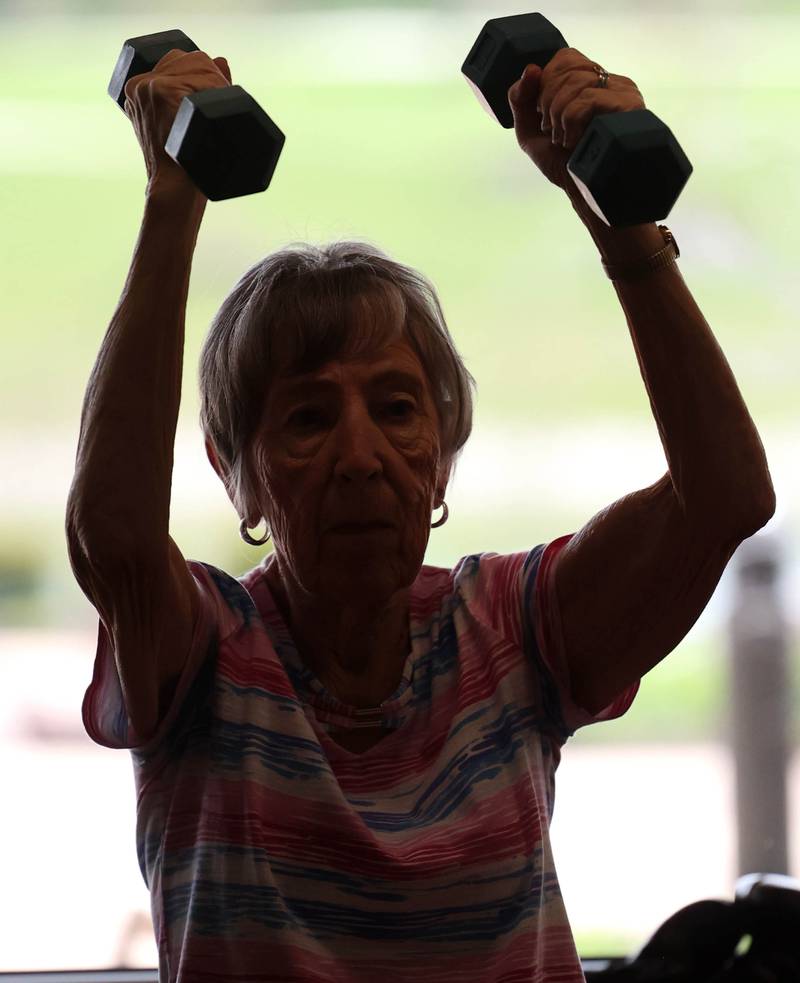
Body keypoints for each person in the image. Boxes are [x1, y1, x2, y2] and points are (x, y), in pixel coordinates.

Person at [66, 46, 774, 983]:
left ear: (442, 460)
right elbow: (112, 538)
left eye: (398, 410)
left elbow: (725, 496)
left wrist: (625, 231)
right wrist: (171, 207)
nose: (361, 457)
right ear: (235, 476)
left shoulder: (512, 628)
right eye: (309, 418)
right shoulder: (203, 651)